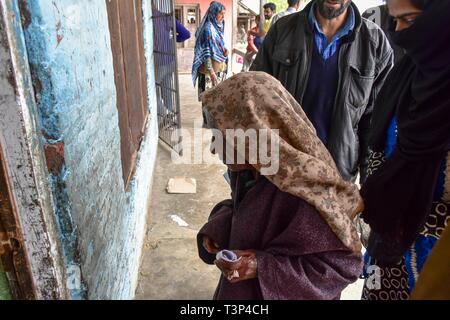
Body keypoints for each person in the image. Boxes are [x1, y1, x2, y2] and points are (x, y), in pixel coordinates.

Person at [197, 72, 363, 300]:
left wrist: (261, 267)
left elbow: (341, 268)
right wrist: (219, 229)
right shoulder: (251, 170)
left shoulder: (304, 190)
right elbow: (243, 210)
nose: (214, 150)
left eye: (221, 137)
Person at [360, 0, 450, 300]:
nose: (397, 33)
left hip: (437, 264)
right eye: (394, 20)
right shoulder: (406, 75)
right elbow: (377, 144)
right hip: (385, 250)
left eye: (409, 21)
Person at [250, 0, 394, 183]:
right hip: (282, 172)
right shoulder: (282, 30)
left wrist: (368, 188)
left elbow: (374, 126)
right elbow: (255, 99)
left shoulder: (375, 43)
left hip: (336, 176)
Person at [192, 1, 228, 102]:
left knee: (219, 100)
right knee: (208, 102)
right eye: (220, 13)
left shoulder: (218, 27)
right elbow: (206, 52)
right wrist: (211, 72)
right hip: (209, 72)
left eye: (224, 14)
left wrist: (224, 50)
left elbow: (218, 44)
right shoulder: (208, 28)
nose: (222, 16)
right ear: (213, 13)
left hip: (219, 68)